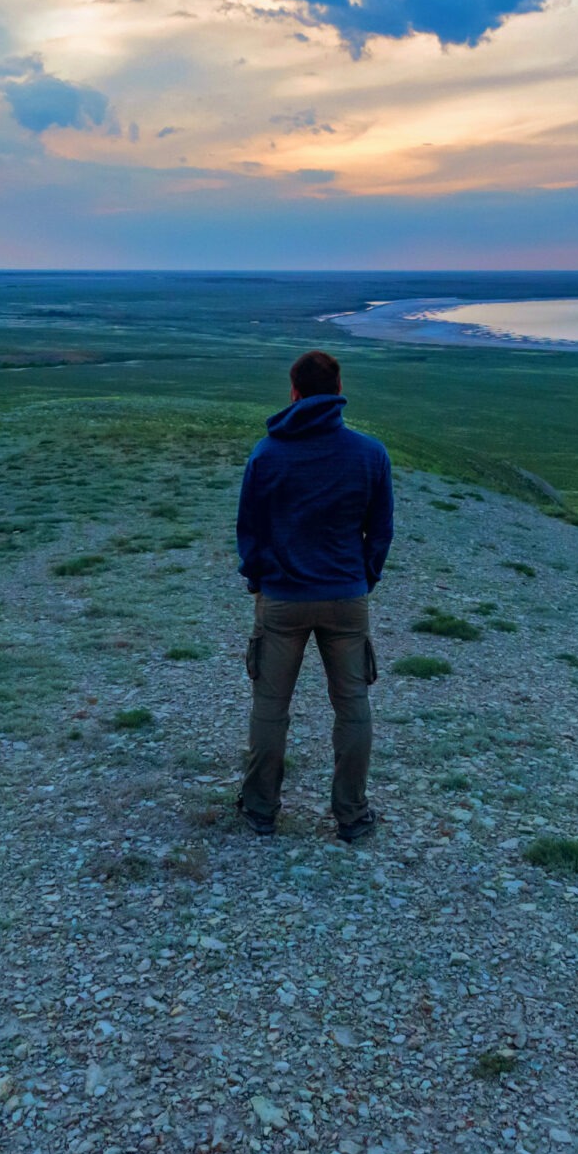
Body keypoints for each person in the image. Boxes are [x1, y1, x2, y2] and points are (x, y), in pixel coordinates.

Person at [233, 349, 394, 842]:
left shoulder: (267, 453)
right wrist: (360, 578)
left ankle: (260, 809)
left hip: (282, 599)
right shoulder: (370, 453)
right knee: (352, 706)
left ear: (294, 391)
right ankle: (352, 816)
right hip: (346, 598)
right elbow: (381, 531)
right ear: (338, 389)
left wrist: (260, 580)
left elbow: (249, 531)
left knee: (270, 706)